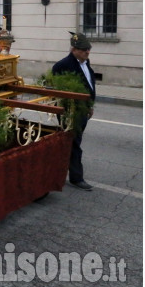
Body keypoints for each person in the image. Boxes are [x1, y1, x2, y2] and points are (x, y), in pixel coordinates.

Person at [52, 32, 96, 191]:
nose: (87, 52)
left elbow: (89, 86)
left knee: (71, 142)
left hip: (83, 111)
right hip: (70, 112)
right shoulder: (63, 65)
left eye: (89, 49)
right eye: (84, 49)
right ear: (74, 49)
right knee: (74, 143)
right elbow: (56, 90)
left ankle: (57, 170)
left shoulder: (85, 63)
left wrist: (89, 106)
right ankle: (76, 178)